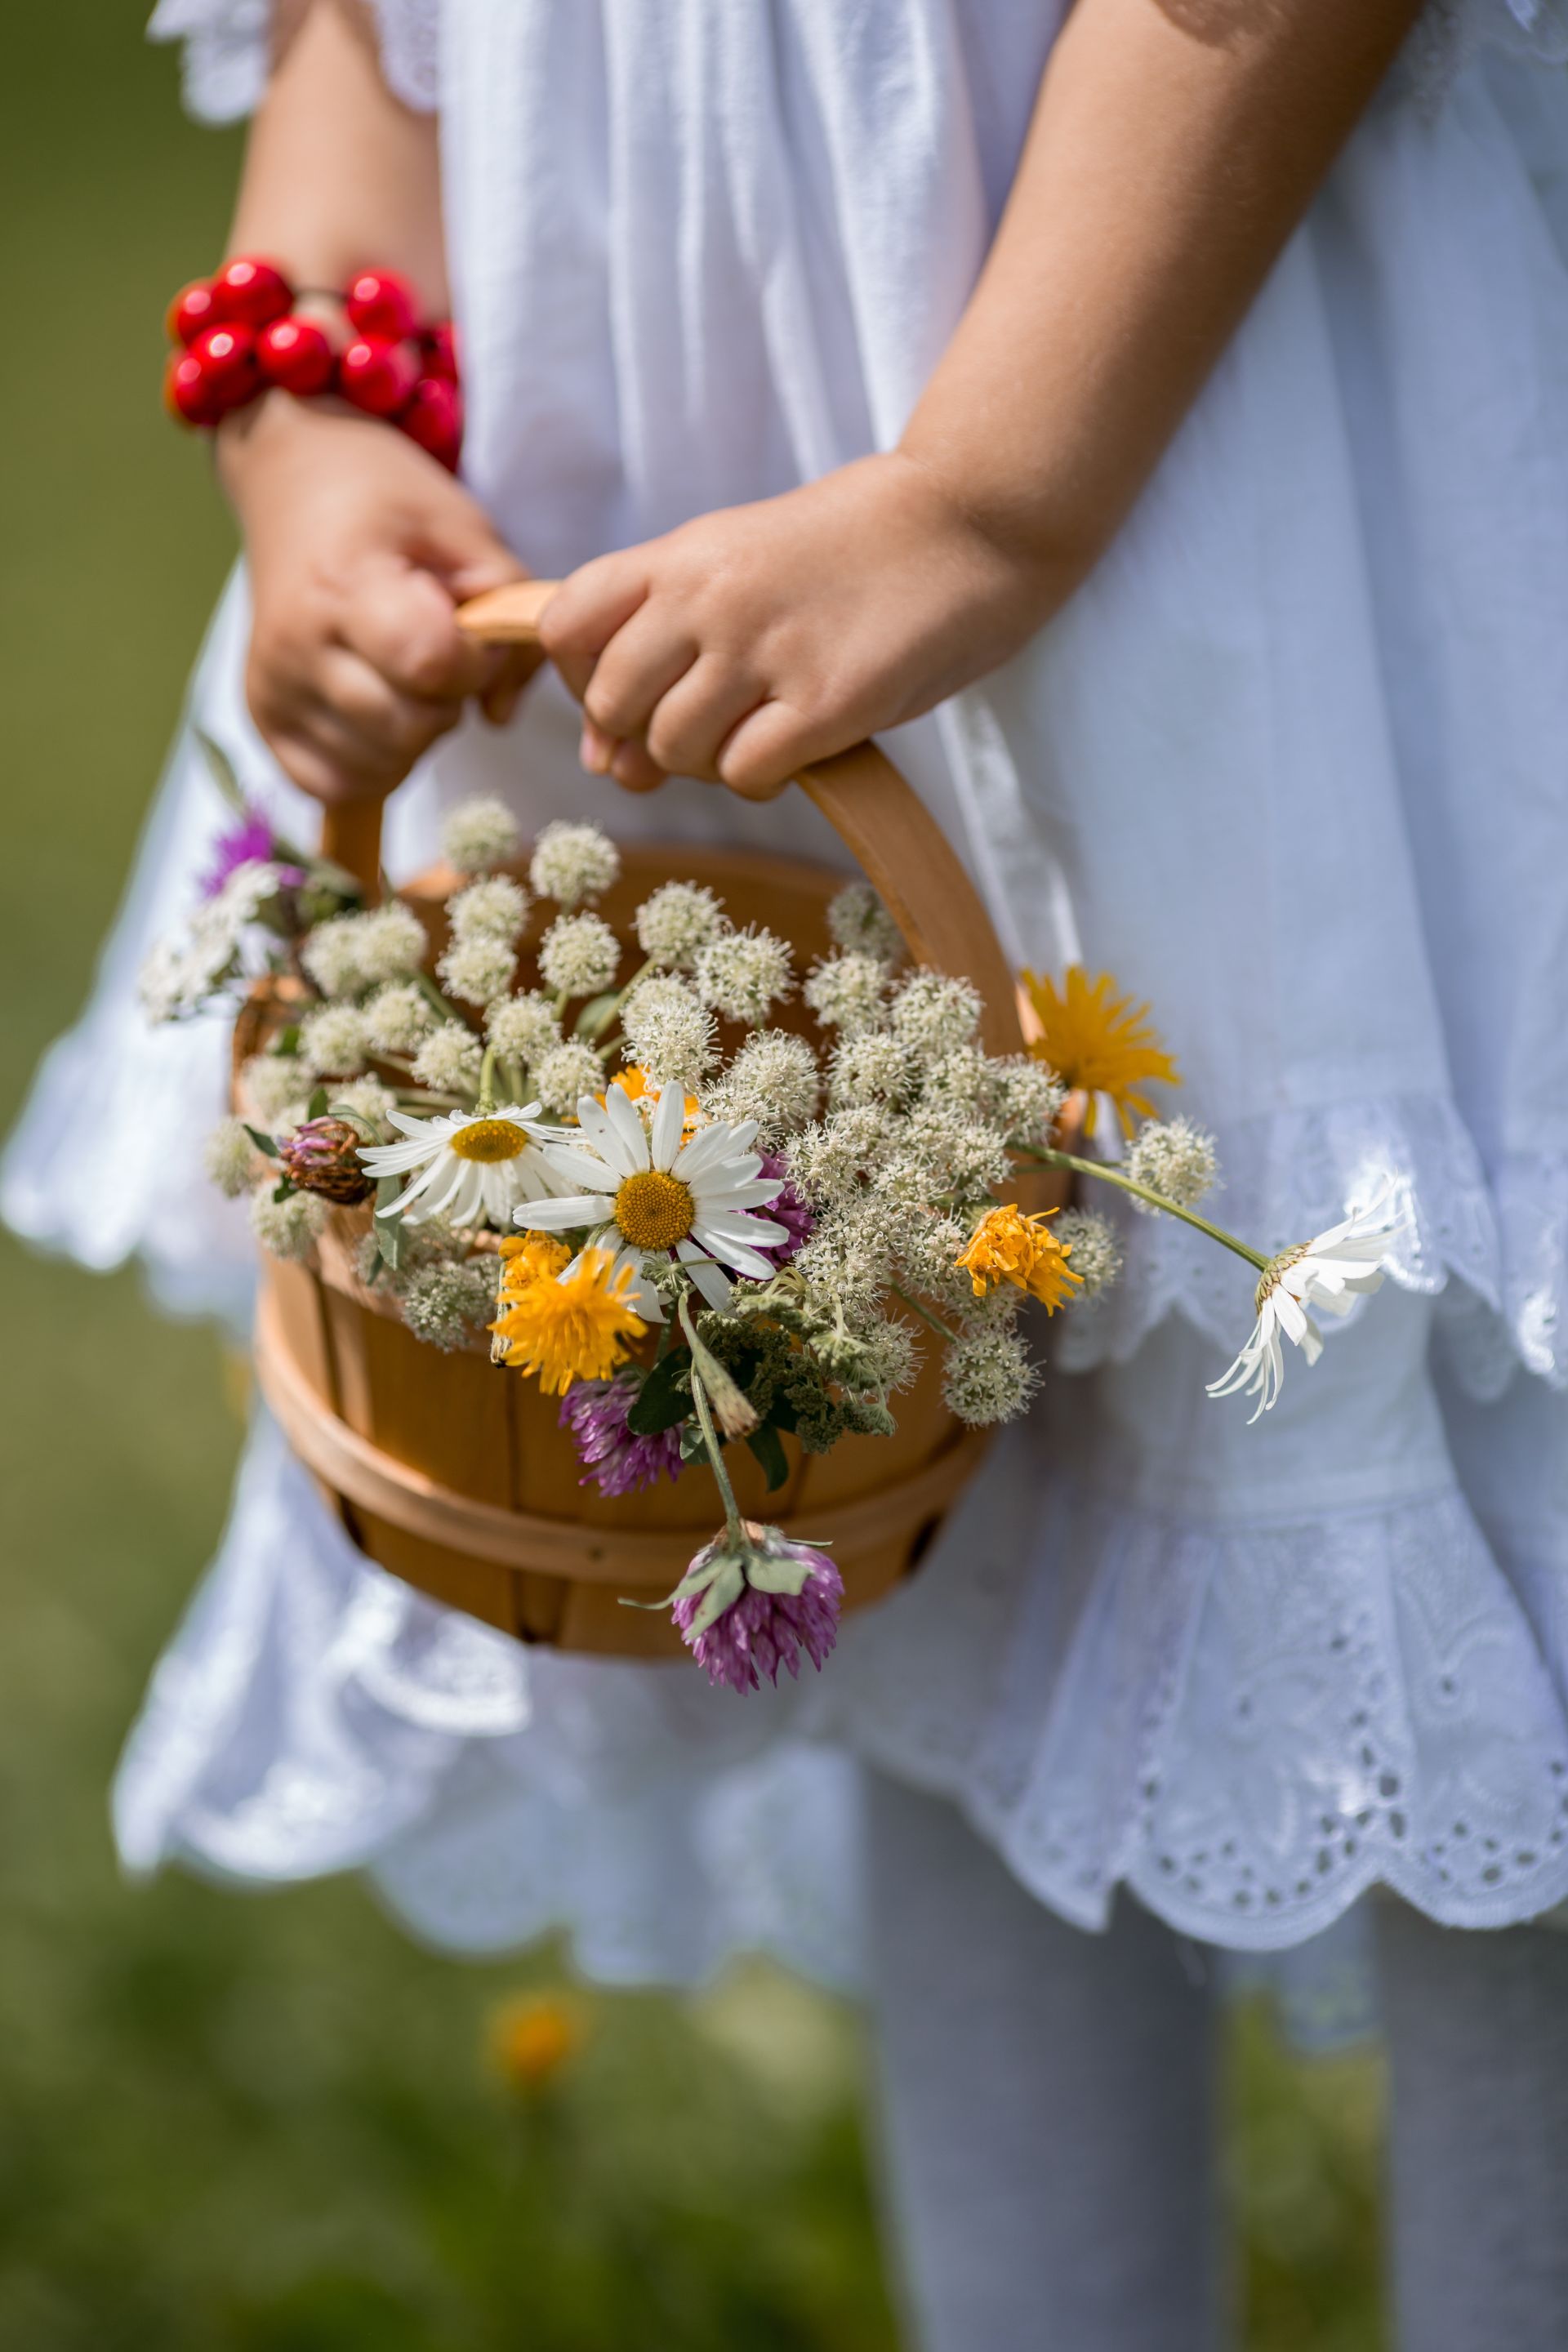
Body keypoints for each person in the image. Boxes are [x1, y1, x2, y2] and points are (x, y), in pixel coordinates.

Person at [7, 0, 1568, 2342]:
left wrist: (985, 497)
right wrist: (317, 433)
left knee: (1434, 1500)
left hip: (1195, 464)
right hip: (664, 533)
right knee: (911, 1511)